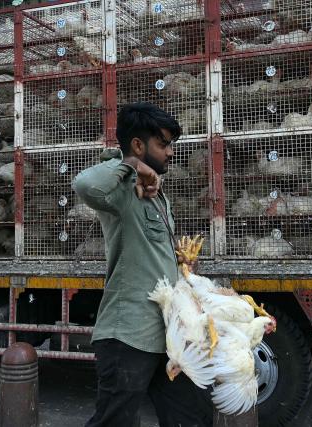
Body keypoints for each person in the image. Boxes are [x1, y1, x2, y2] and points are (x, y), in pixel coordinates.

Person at [73, 102, 211, 427]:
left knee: (191, 417)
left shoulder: (156, 195)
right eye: (163, 144)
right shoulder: (120, 190)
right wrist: (132, 165)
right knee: (115, 422)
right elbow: (83, 184)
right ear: (138, 145)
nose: (171, 152)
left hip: (169, 336)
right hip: (129, 336)